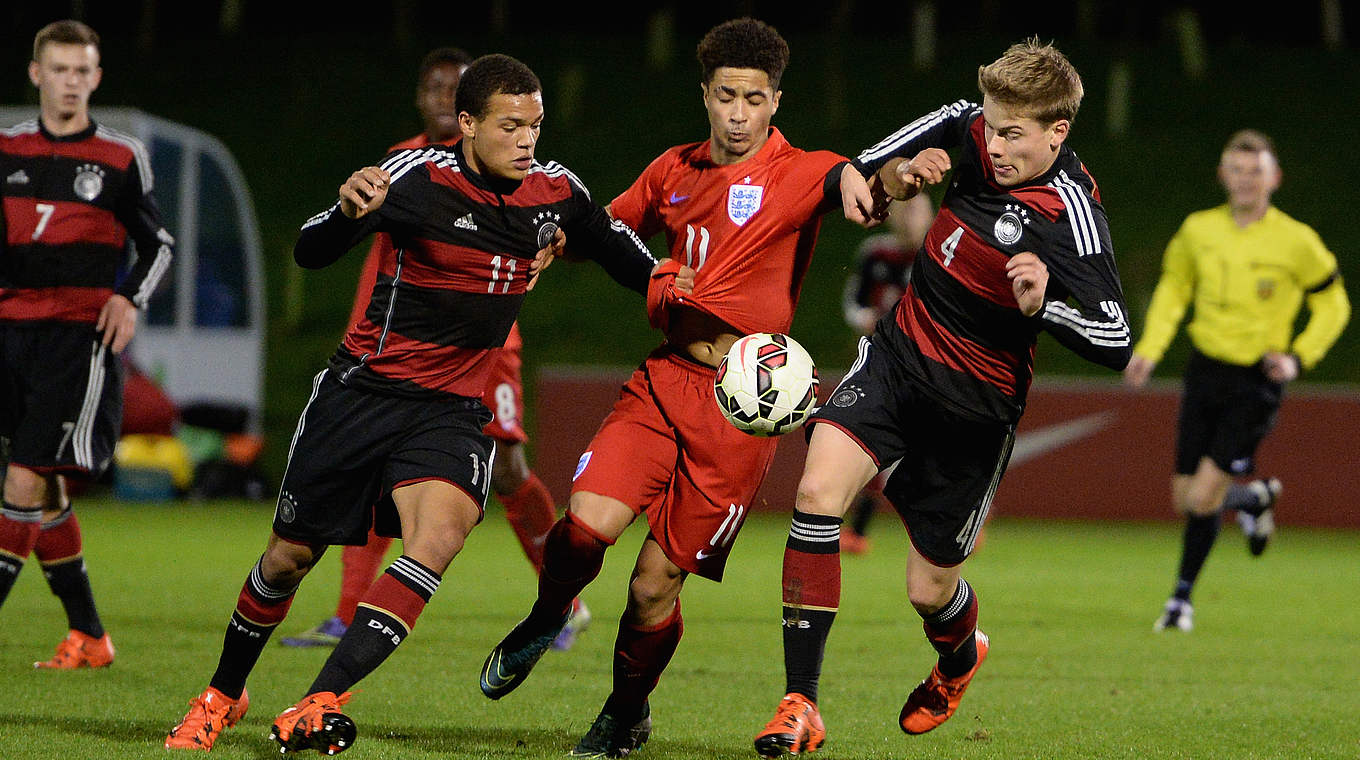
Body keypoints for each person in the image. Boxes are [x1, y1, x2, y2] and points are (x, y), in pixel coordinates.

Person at [164, 53, 659, 754]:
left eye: (536, 126)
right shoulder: (413, 179)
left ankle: (318, 698)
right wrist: (342, 214)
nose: (527, 141)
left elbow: (618, 250)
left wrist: (678, 285)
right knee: (287, 559)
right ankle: (222, 691)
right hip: (361, 393)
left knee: (441, 535)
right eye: (510, 126)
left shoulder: (555, 191)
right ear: (466, 125)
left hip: (452, 407)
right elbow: (311, 250)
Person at [476, 18, 862, 758]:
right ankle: (547, 612)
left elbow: (846, 171)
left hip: (742, 418)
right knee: (584, 525)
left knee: (655, 587)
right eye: (726, 97)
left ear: (776, 101)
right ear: (706, 97)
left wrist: (866, 184)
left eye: (754, 99)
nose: (740, 114)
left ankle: (625, 713)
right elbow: (609, 227)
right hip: (665, 382)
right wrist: (558, 240)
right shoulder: (673, 171)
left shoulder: (799, 170)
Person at [754, 38, 1133, 756]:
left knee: (929, 589)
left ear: (1059, 132)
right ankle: (800, 702)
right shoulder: (970, 125)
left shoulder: (1071, 213)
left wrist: (1045, 305)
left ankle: (960, 657)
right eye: (990, 125)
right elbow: (865, 174)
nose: (992, 144)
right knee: (816, 493)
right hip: (897, 361)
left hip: (975, 411)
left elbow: (1115, 337)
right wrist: (897, 177)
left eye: (1014, 134)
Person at [279, 47, 590, 652]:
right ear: (422, 98)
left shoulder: (517, 170)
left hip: (489, 348)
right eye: (434, 88)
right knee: (376, 474)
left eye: (456, 88)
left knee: (508, 470)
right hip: (402, 349)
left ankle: (565, 604)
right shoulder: (405, 164)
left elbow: (566, 221)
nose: (444, 99)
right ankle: (347, 614)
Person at [1123, 129, 1350, 633]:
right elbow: (1173, 291)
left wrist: (1299, 356)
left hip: (1257, 379)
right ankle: (1254, 498)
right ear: (1223, 175)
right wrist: (1149, 349)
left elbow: (1334, 303)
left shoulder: (1297, 241)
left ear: (1275, 178)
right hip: (1205, 372)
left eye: (1256, 170)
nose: (1245, 179)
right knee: (1185, 498)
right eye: (1236, 169)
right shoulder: (1198, 230)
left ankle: (1180, 601)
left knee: (1203, 499)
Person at [0, 20, 174, 668]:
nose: (72, 82)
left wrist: (128, 297)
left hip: (77, 338)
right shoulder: (7, 150)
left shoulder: (120, 157)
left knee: (23, 480)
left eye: (83, 71)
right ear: (36, 73)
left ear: (96, 79)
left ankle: (89, 635)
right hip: (10, 331)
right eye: (61, 70)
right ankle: (91, 637)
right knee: (43, 492)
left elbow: (159, 244)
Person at [837, 194, 933, 556]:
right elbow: (853, 301)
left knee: (940, 443)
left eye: (917, 209)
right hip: (878, 362)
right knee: (869, 443)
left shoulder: (940, 254)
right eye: (905, 209)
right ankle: (855, 530)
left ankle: (963, 520)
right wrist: (866, 321)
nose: (910, 217)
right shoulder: (875, 252)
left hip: (928, 366)